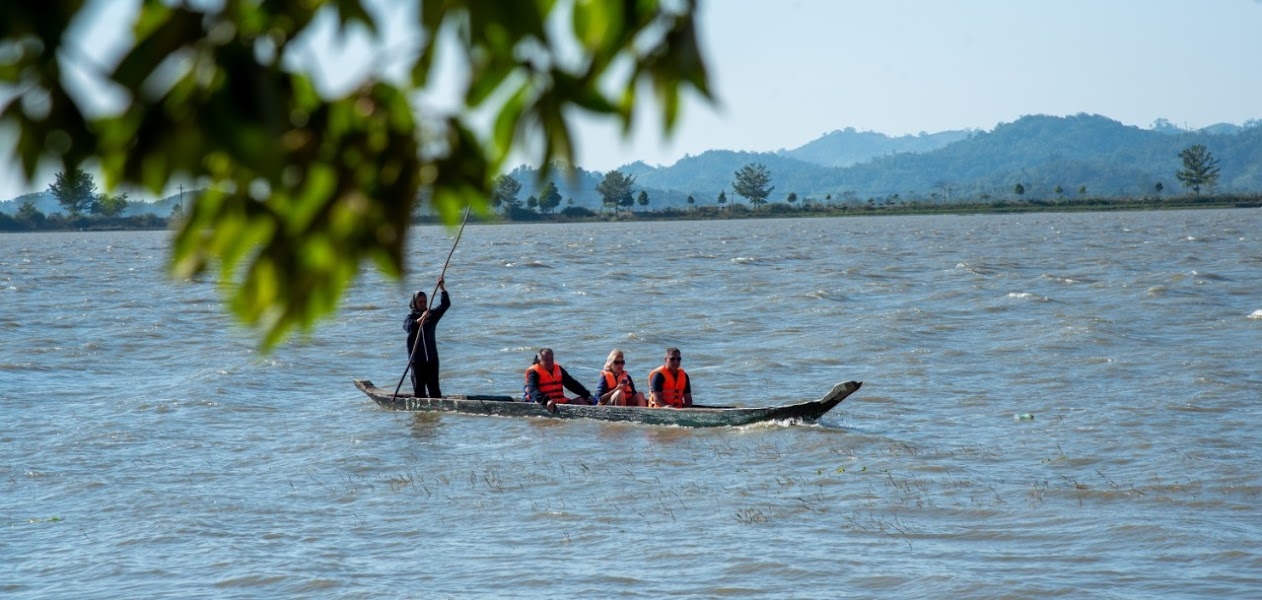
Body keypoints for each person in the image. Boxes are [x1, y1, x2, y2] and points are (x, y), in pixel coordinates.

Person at [403, 277, 450, 398]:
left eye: (424, 301)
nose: (423, 304)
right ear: (415, 303)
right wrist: (420, 320)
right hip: (417, 361)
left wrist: (442, 288)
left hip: (432, 359)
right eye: (420, 302)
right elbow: (408, 327)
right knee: (419, 392)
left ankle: (436, 415)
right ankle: (420, 416)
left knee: (434, 390)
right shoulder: (410, 317)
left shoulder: (431, 316)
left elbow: (445, 304)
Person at [525, 347, 594, 411]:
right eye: (546, 360)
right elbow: (533, 390)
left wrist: (587, 395)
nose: (549, 362)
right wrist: (546, 400)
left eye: (551, 359)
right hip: (543, 403)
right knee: (537, 402)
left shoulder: (558, 369)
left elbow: (572, 384)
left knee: (582, 400)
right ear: (539, 361)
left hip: (559, 402)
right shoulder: (533, 372)